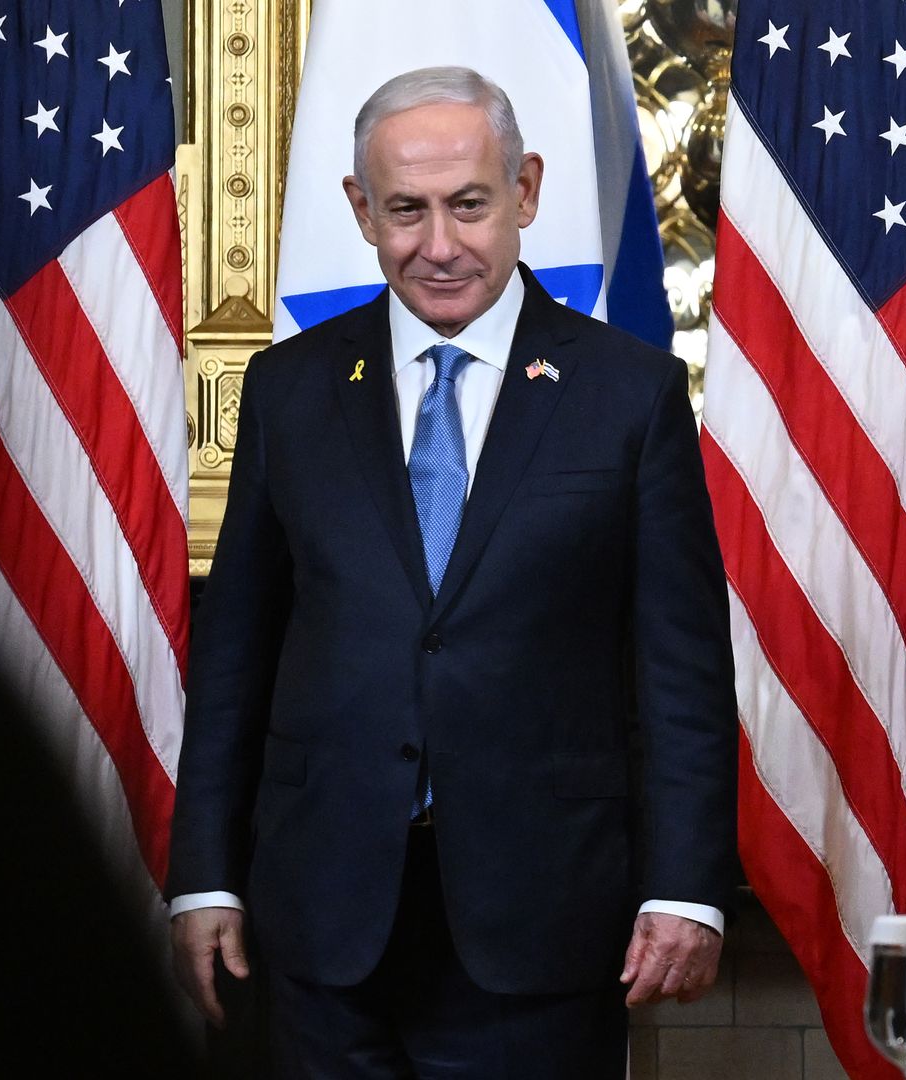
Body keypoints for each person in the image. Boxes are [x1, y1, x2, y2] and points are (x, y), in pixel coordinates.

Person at [165, 66, 738, 1077]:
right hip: (321, 920)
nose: (439, 246)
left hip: (543, 918)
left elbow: (681, 672)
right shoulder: (291, 389)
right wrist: (205, 878)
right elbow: (233, 658)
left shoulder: (627, 394)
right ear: (360, 210)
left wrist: (684, 887)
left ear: (524, 191)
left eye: (468, 205)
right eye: (406, 211)